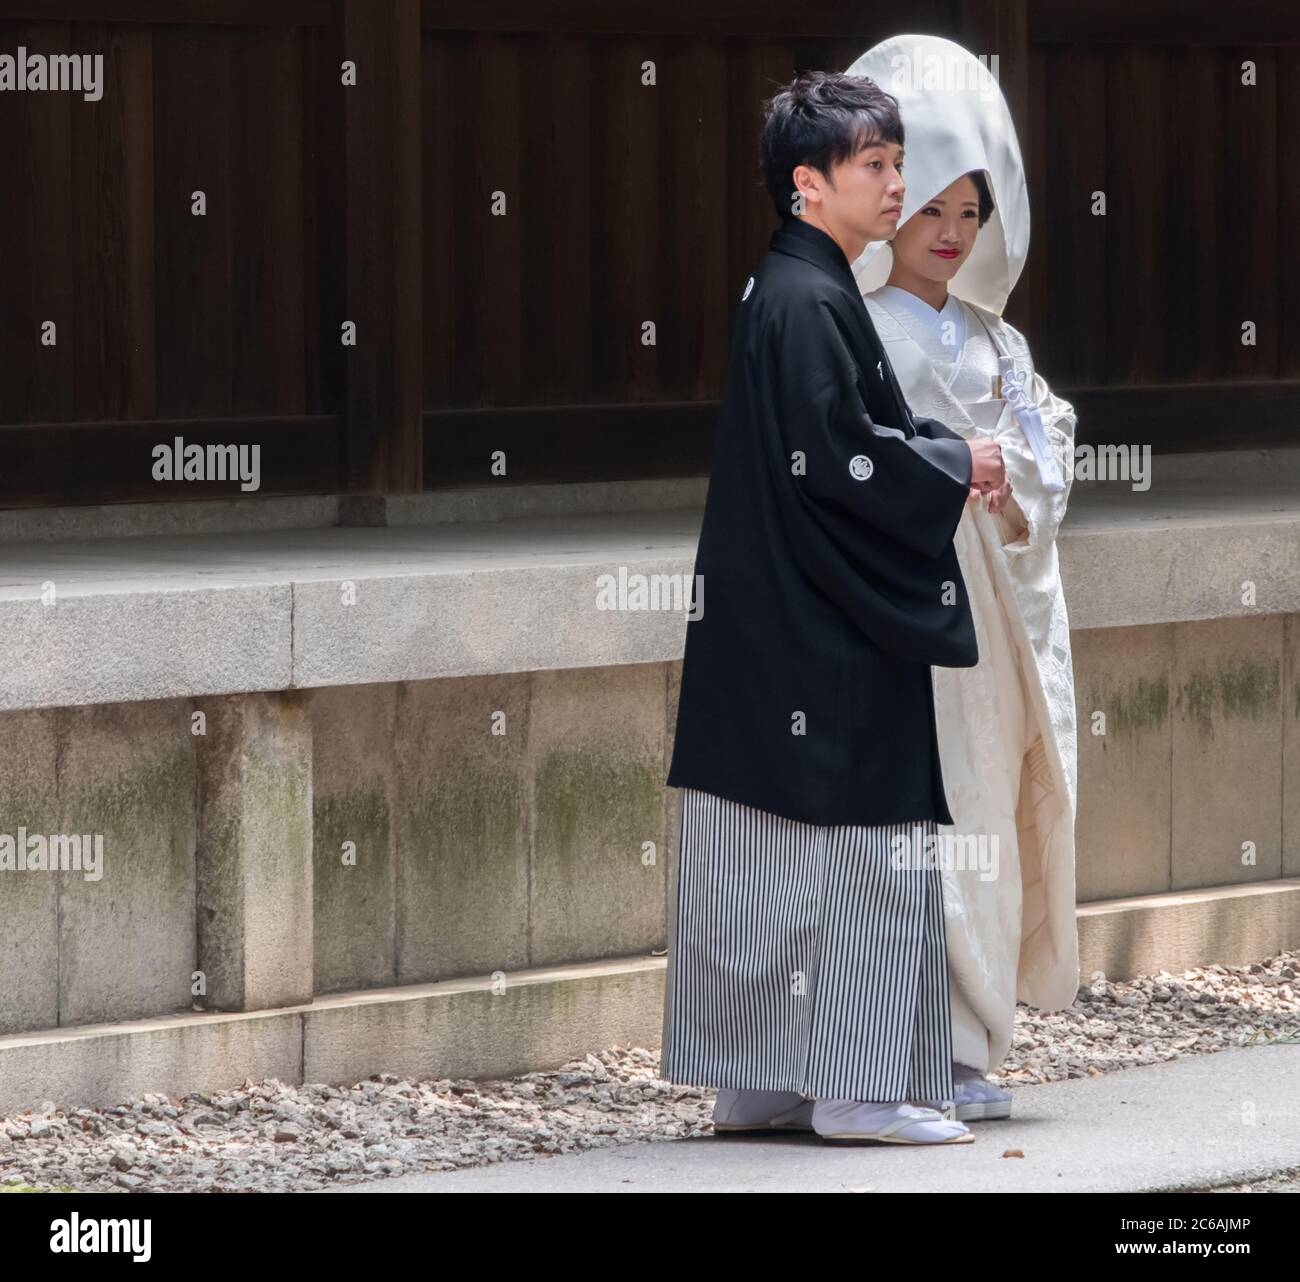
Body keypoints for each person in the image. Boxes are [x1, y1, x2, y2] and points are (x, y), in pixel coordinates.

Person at [660, 68, 1006, 1146]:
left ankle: (759, 1078)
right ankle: (856, 1086)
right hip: (822, 629)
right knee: (860, 845)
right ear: (809, 184)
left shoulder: (789, 287)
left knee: (763, 846)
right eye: (875, 166)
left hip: (767, 620)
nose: (897, 185)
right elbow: (843, 460)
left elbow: (833, 452)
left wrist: (936, 458)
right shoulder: (813, 299)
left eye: (899, 163)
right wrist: (958, 459)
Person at [846, 34, 1081, 1121]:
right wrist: (949, 473)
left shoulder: (998, 341)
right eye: (926, 210)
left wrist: (1009, 476)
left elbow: (1044, 445)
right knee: (928, 824)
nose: (946, 235)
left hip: (1003, 613)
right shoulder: (858, 330)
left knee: (992, 807)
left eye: (966, 215)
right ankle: (918, 1048)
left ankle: (975, 1043)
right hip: (915, 610)